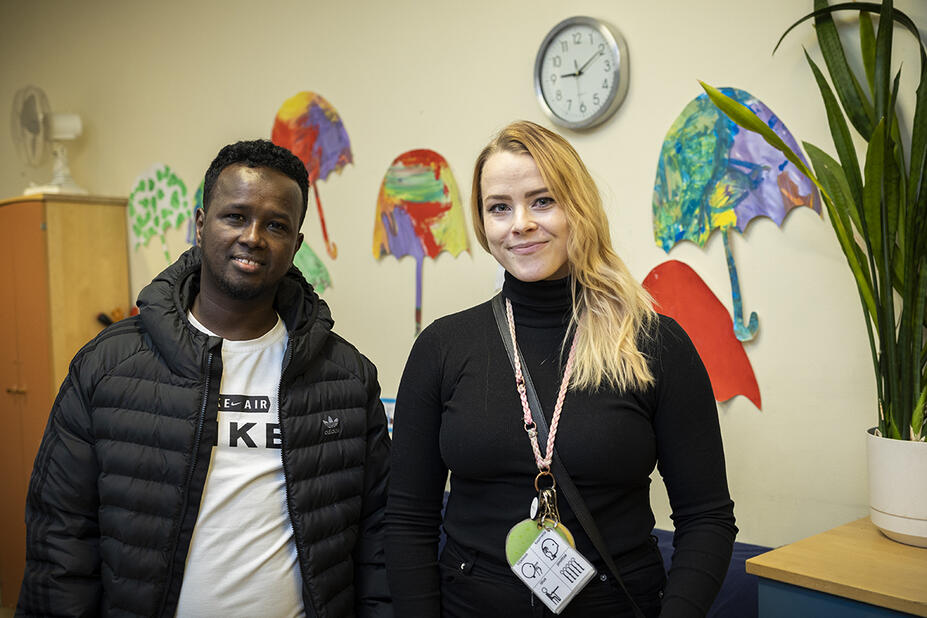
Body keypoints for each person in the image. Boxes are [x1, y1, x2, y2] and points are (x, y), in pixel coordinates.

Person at [17, 140, 392, 617]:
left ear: (296, 245)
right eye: (235, 216)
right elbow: (61, 537)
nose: (253, 237)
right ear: (200, 225)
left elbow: (378, 537)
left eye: (276, 225)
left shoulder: (347, 379)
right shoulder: (107, 366)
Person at [384, 121, 736, 617]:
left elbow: (707, 519)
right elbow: (408, 519)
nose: (520, 223)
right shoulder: (442, 347)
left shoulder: (653, 343)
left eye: (542, 201)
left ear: (579, 208)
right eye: (499, 207)